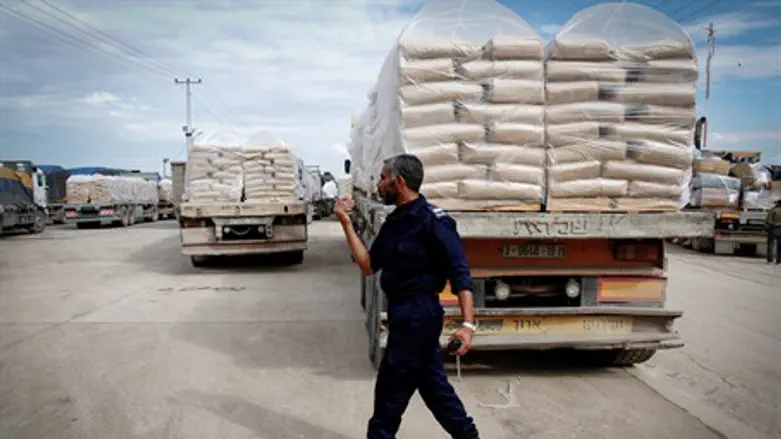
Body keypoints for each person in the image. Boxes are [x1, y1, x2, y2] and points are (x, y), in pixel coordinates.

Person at [334, 154, 480, 439]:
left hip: (419, 315)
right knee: (434, 389)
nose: (378, 184)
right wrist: (345, 222)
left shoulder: (434, 222)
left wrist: (467, 325)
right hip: (403, 314)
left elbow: (460, 272)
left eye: (383, 178)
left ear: (399, 182)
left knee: (390, 394)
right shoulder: (394, 223)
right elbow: (368, 265)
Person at [765, 199, 781, 264]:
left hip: (773, 228)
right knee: (779, 245)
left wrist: (767, 226)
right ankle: (778, 259)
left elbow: (769, 220)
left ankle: (770, 259)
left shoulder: (773, 210)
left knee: (770, 244)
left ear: (778, 204)